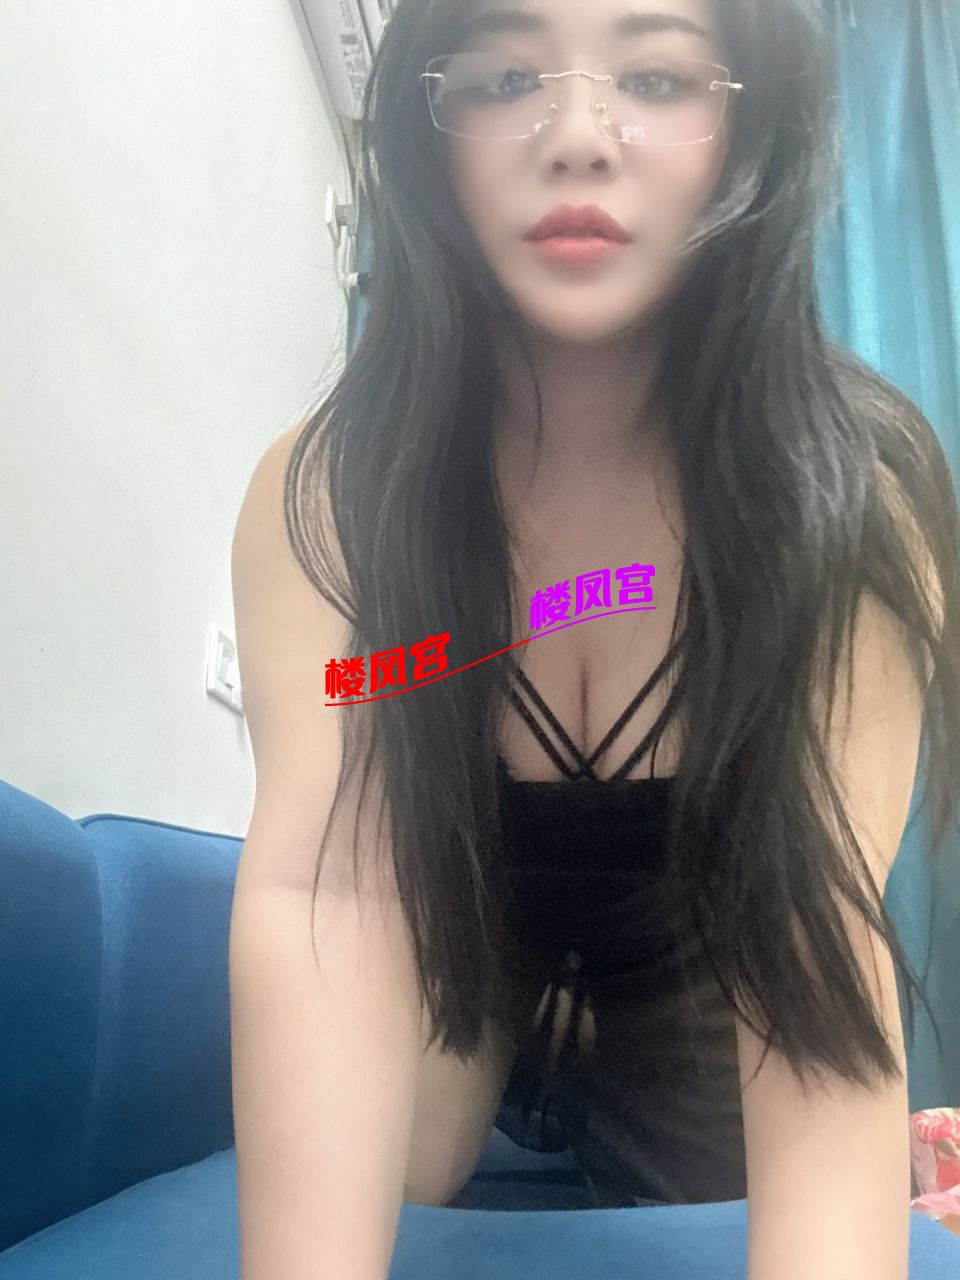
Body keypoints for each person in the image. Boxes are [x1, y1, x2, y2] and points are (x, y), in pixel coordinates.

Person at [228, 2, 960, 1278]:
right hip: (464, 930)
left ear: (753, 126)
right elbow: (330, 885)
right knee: (402, 1173)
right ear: (428, 120)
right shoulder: (329, 494)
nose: (577, 132)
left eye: (658, 78)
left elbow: (817, 930)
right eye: (508, 77)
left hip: (705, 959)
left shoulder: (848, 502)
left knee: (738, 1191)